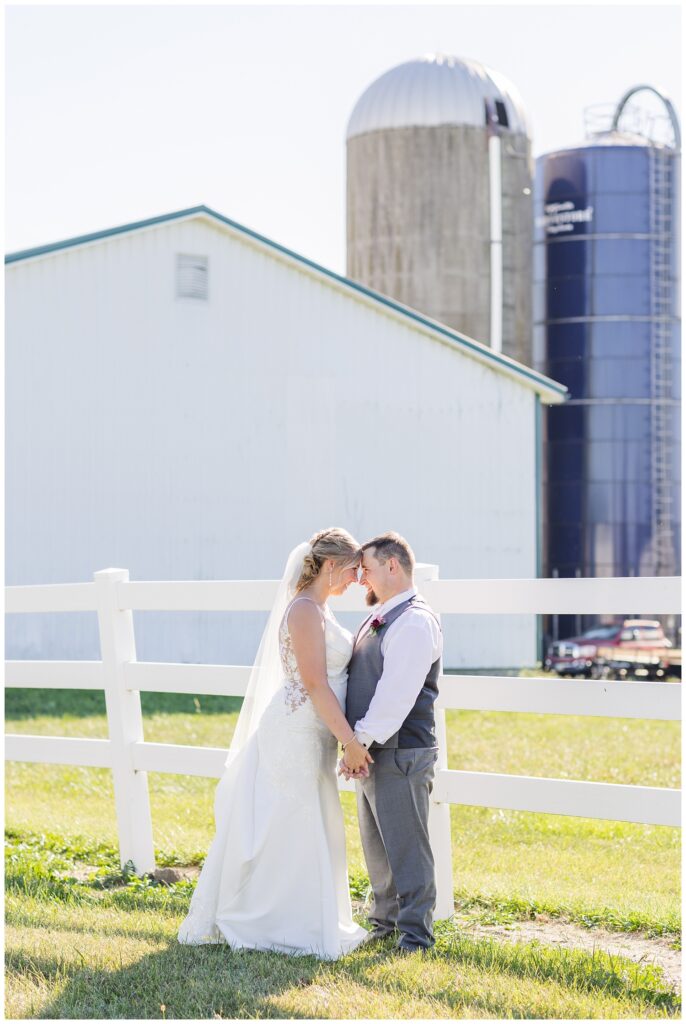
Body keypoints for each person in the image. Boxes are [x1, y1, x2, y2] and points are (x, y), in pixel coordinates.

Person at [178, 528, 372, 959]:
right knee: (290, 821)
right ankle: (275, 921)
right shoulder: (304, 611)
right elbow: (317, 685)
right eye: (353, 569)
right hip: (295, 731)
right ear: (330, 564)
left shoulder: (321, 608)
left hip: (316, 732)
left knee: (310, 820)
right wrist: (351, 743)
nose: (357, 579)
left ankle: (306, 918)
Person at [340, 532, 443, 953]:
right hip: (373, 748)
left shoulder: (415, 620)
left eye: (366, 568)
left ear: (392, 565)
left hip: (400, 749)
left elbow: (396, 696)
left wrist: (358, 740)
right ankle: (384, 924)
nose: (361, 578)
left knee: (407, 846)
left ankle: (416, 936)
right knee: (378, 846)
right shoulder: (384, 614)